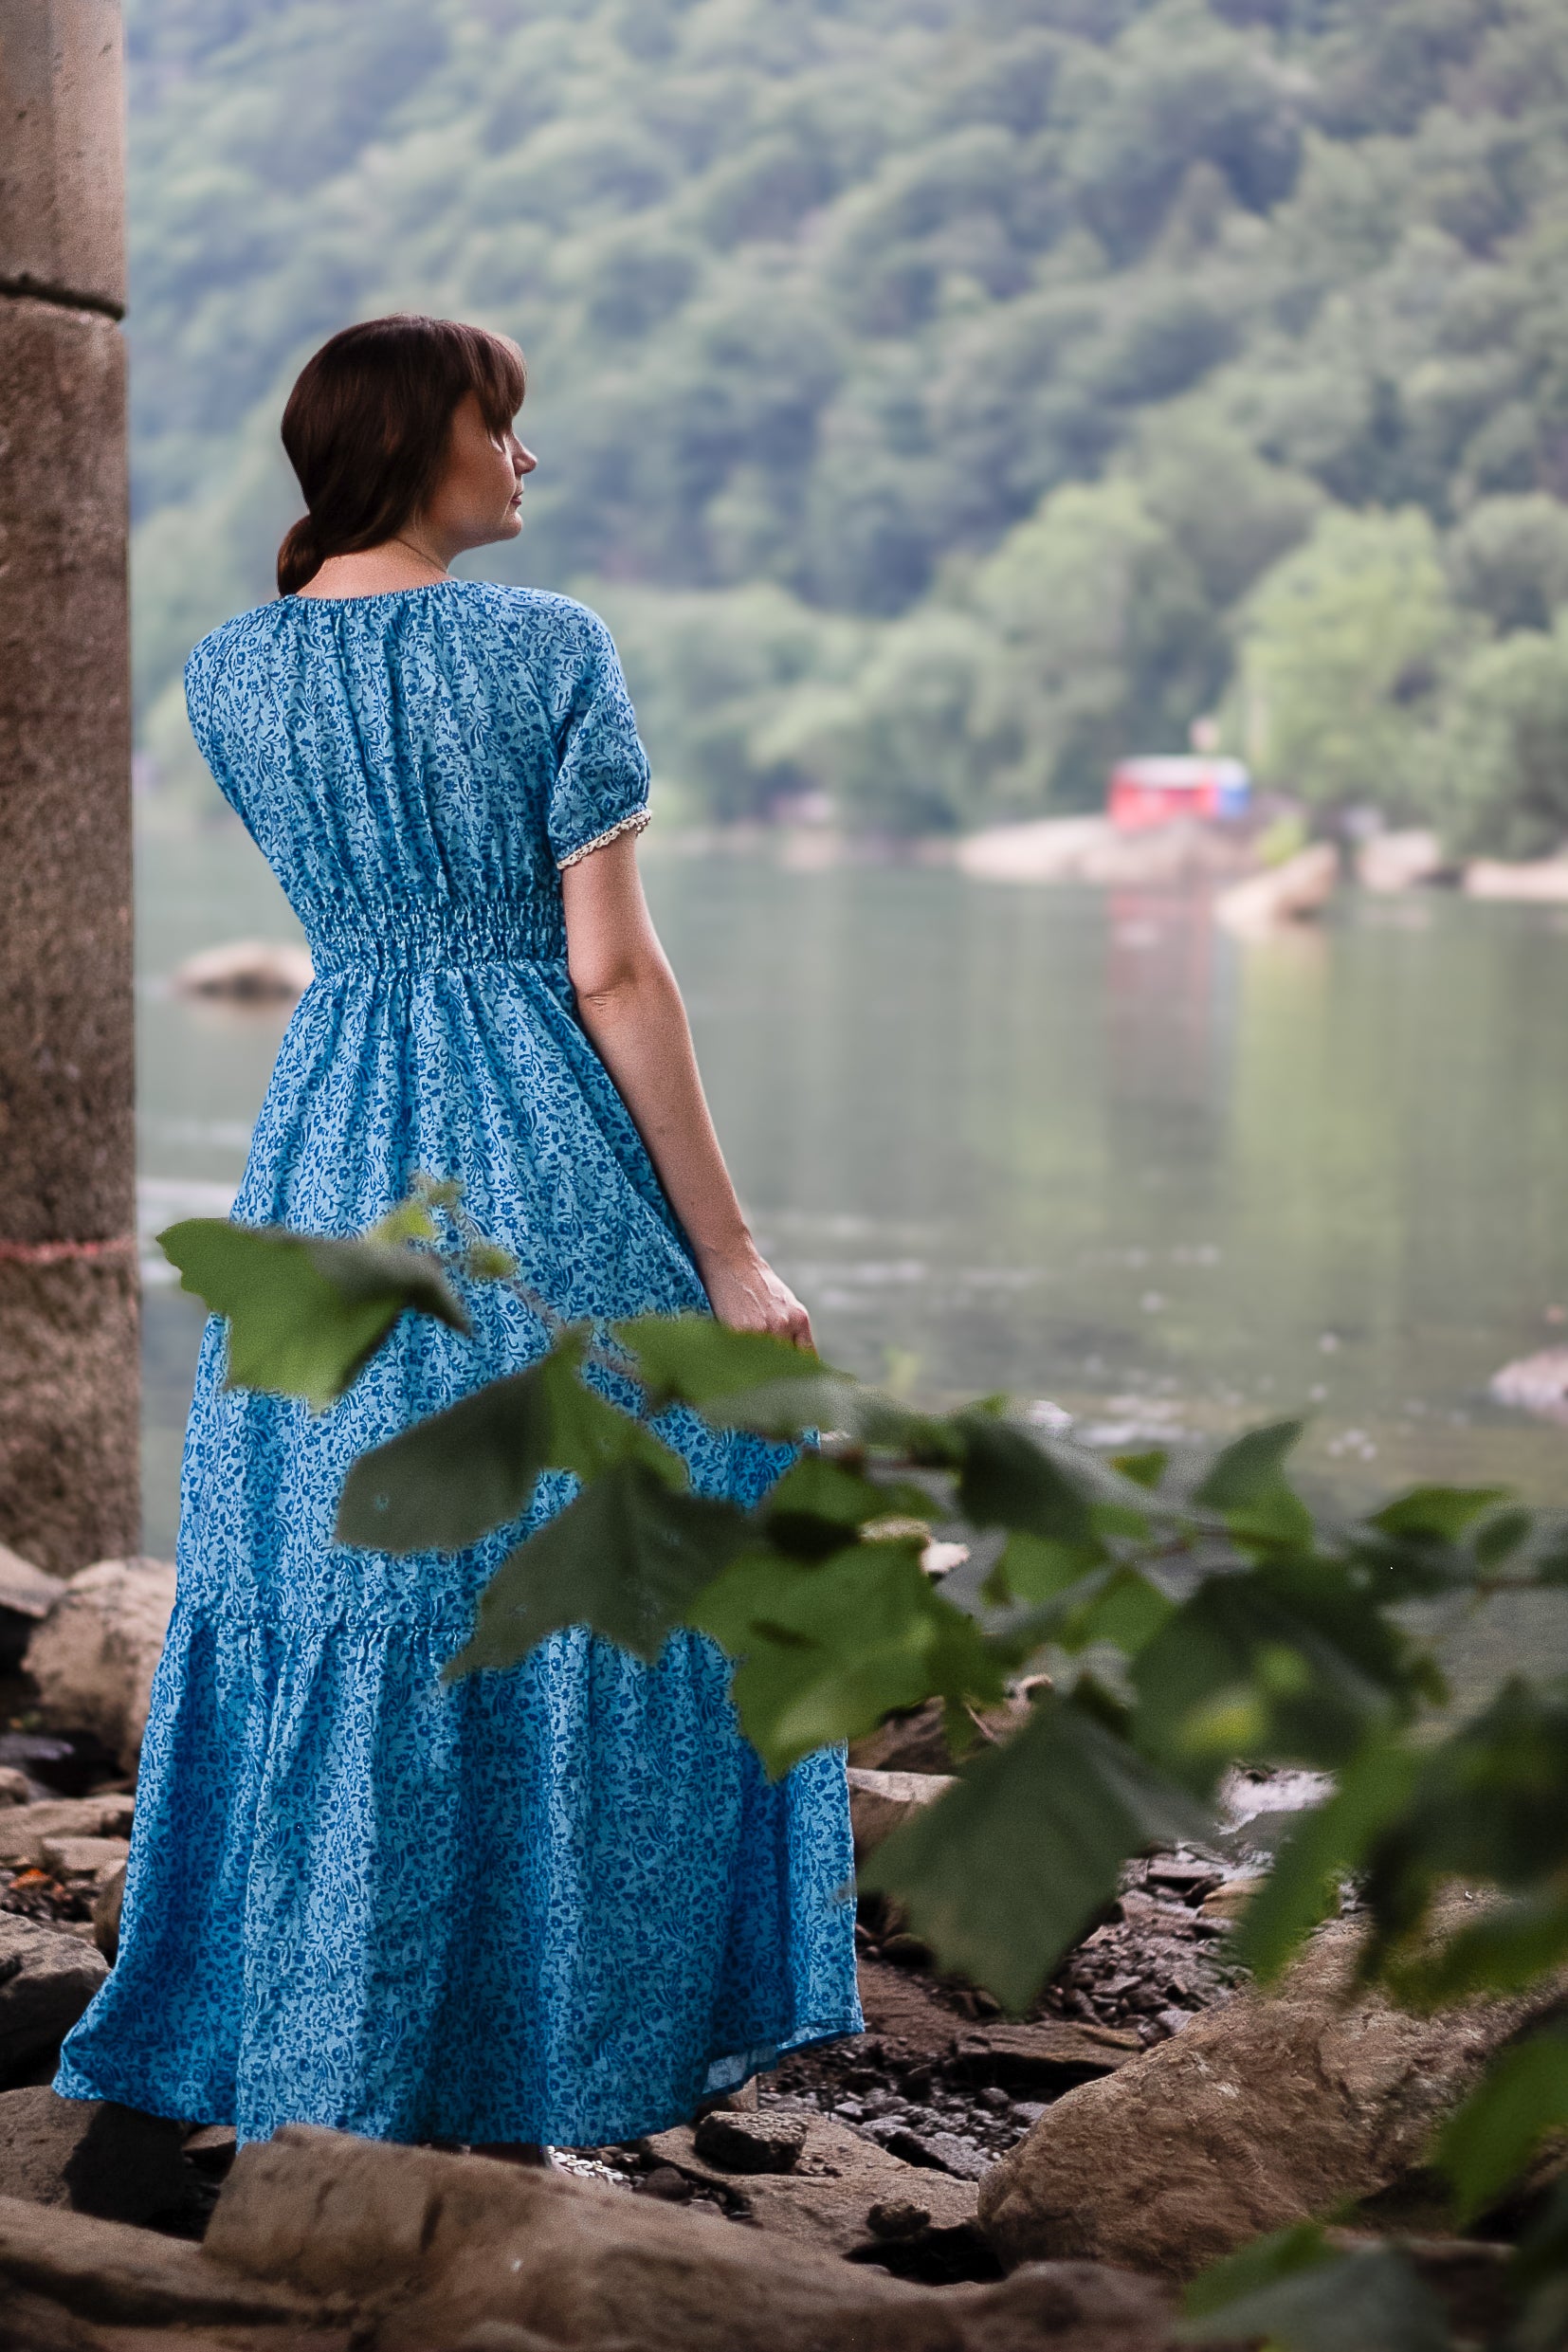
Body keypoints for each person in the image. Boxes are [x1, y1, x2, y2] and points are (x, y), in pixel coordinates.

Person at [55, 314, 862, 2156]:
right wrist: (730, 1255)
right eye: (508, 427)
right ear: (430, 437)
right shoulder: (546, 644)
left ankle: (328, 2045)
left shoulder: (227, 671)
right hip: (531, 1143)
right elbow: (611, 969)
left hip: (330, 1139)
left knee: (341, 1576)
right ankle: (565, 2047)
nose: (526, 461)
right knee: (655, 1521)